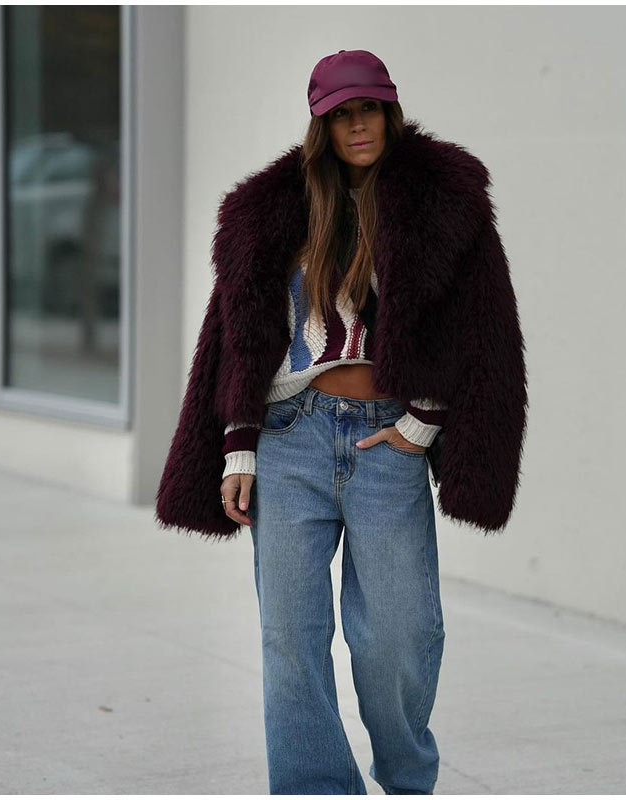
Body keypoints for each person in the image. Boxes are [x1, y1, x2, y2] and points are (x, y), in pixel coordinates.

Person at [155, 48, 528, 796]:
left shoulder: (443, 200)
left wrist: (422, 421)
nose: (359, 125)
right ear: (320, 125)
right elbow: (235, 336)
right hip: (287, 437)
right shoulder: (272, 209)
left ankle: (407, 778)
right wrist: (238, 448)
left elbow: (479, 322)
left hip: (384, 441)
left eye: (370, 110)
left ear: (390, 112)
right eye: (342, 114)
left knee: (399, 633)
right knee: (291, 639)